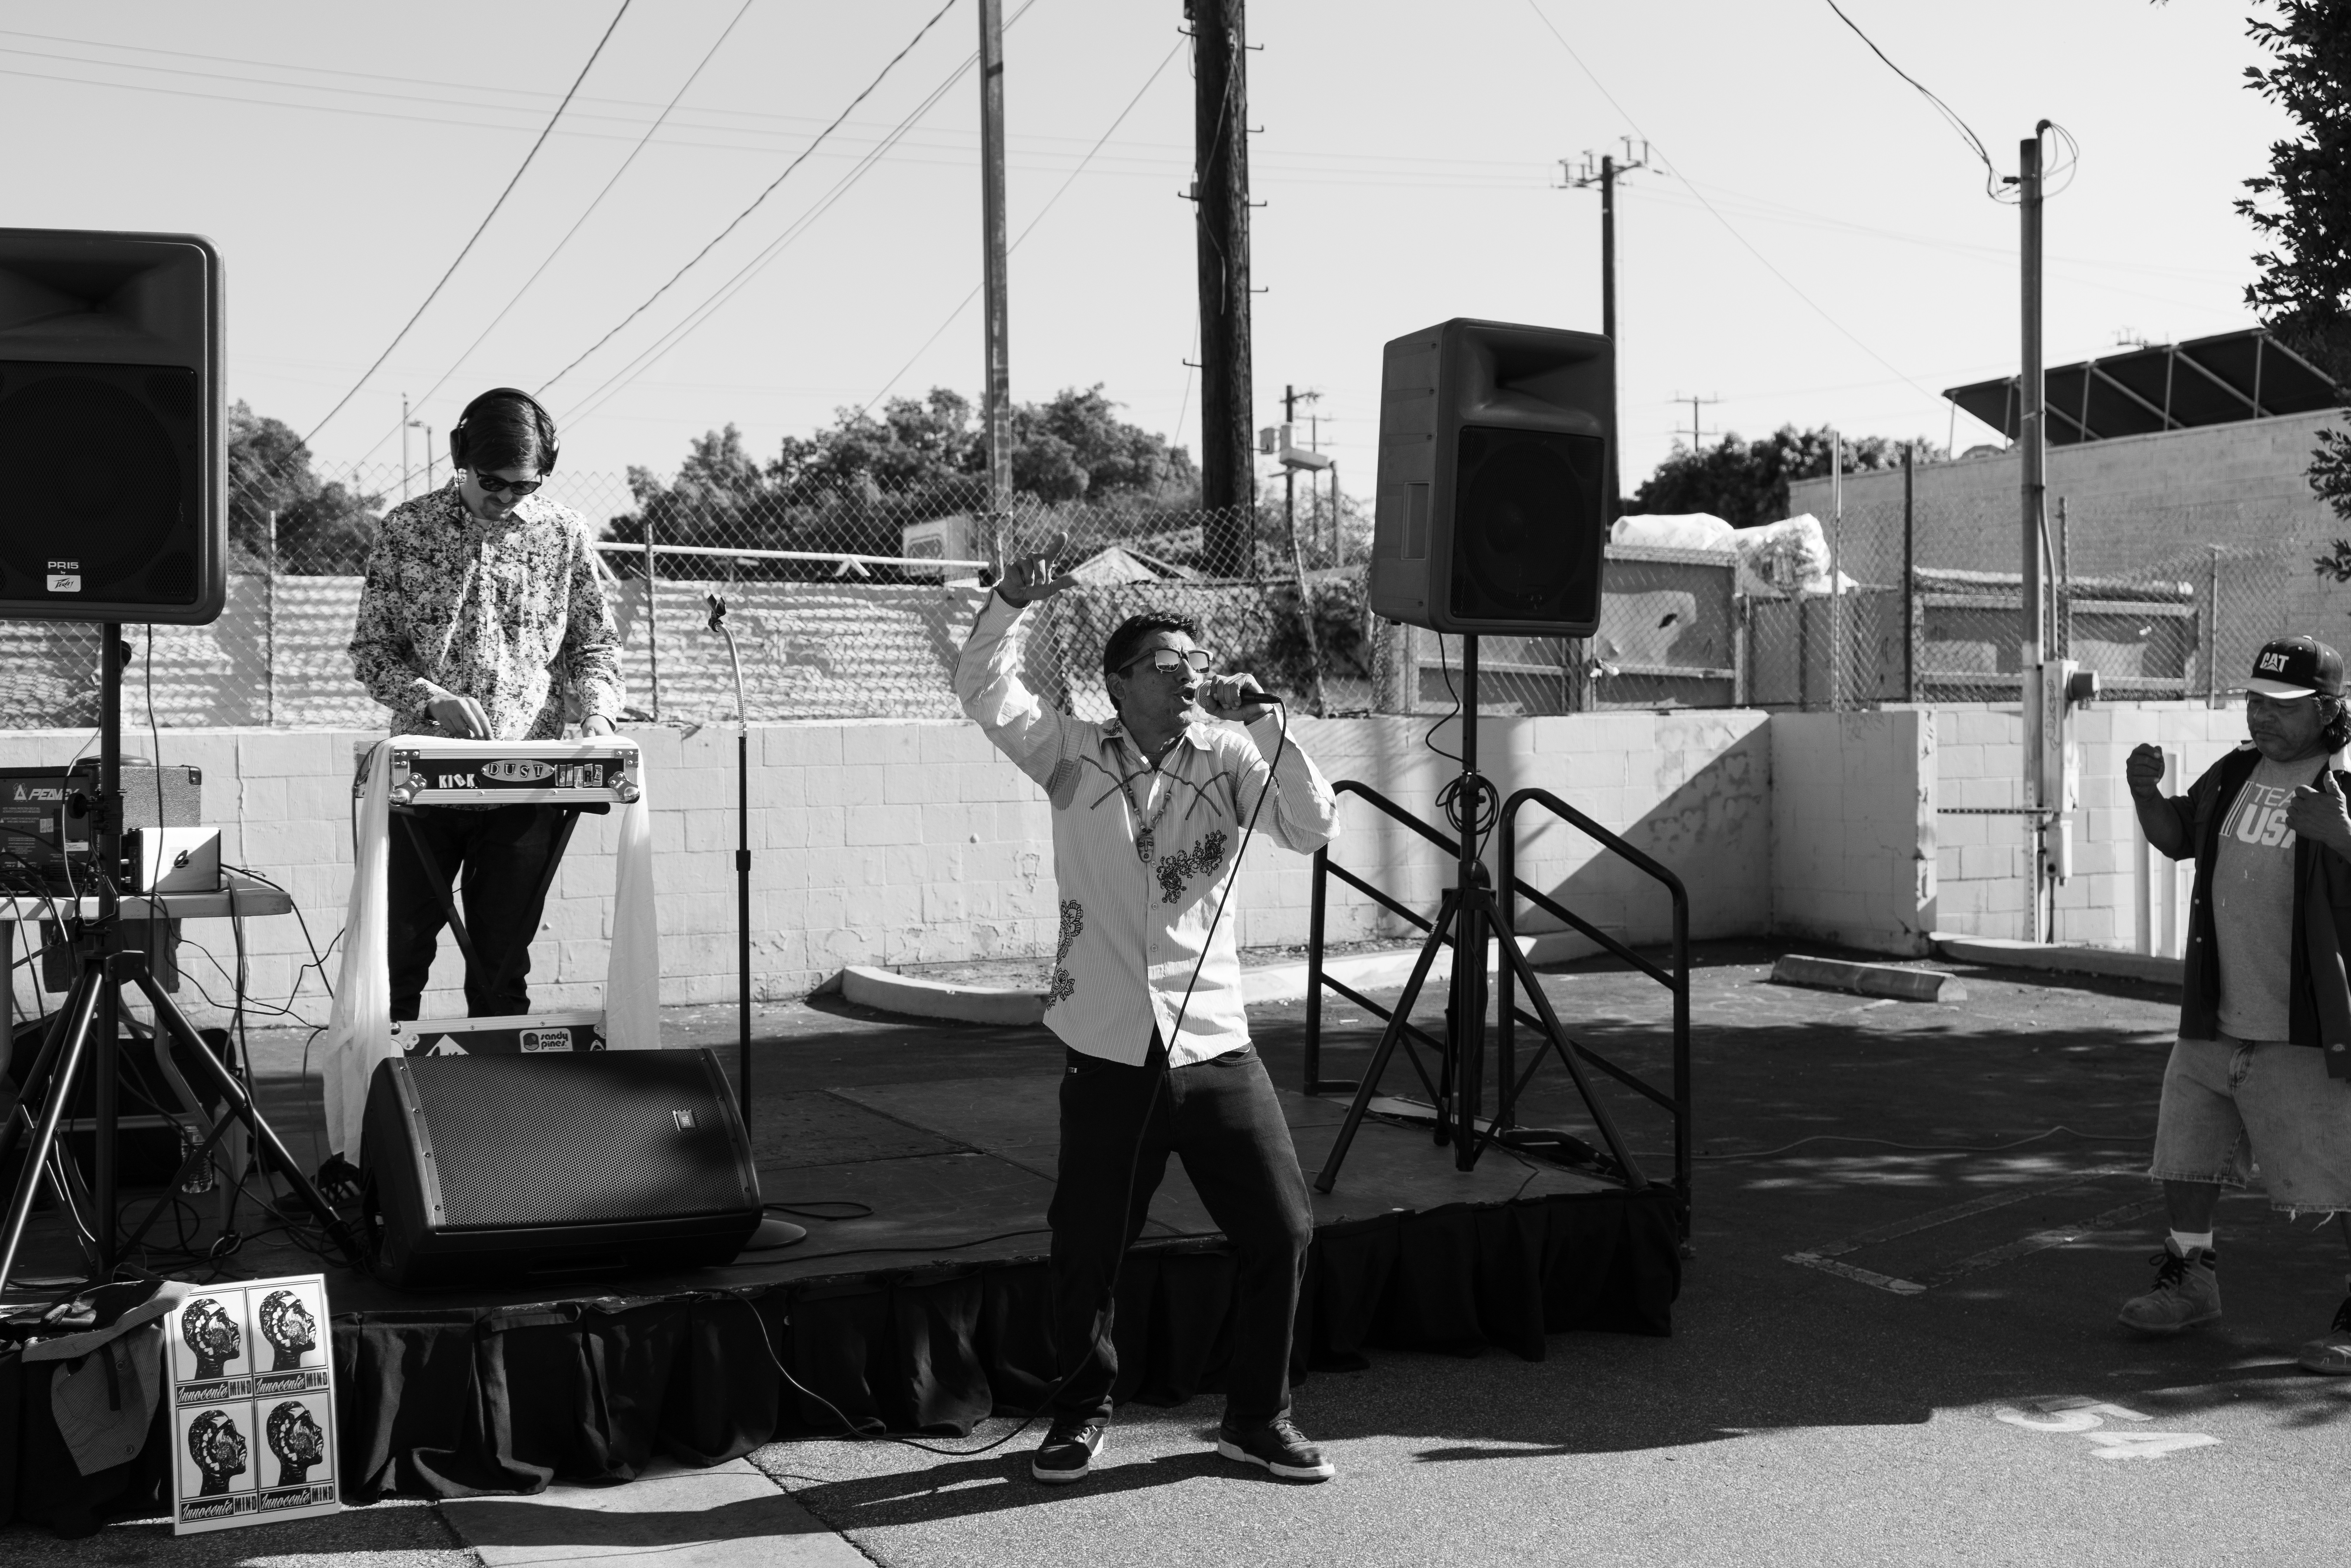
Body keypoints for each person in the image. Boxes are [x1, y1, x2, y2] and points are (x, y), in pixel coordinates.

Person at [954, 535, 1342, 1485]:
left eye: (1196, 665)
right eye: (1165, 668)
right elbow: (982, 688)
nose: (1186, 680)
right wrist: (1009, 604)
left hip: (1214, 1046)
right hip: (1108, 1049)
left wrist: (1275, 729)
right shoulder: (1072, 755)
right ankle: (1082, 1411)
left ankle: (1257, 1418)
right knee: (1088, 1249)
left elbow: (1311, 827)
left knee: (1282, 1230)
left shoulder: (1234, 755)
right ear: (1117, 684)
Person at [349, 388, 623, 1021]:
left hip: (526, 784)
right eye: (492, 482)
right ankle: (386, 1107)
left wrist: (599, 714)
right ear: (460, 458)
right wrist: (429, 699)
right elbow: (371, 651)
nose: (505, 498)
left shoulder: (564, 533)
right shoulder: (407, 529)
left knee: (503, 966)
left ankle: (500, 1113)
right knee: (399, 958)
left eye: (524, 486)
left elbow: (595, 646)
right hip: (424, 781)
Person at [2121, 633, 2351, 1374]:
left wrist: (2346, 839)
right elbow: (2176, 838)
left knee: (2341, 1173)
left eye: (2280, 707)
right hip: (2216, 1013)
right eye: (2254, 701)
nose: (2261, 717)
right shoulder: (2235, 774)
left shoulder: (2346, 783)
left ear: (2326, 710)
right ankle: (2191, 1281)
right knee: (2184, 1156)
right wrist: (2146, 796)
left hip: (2309, 1028)